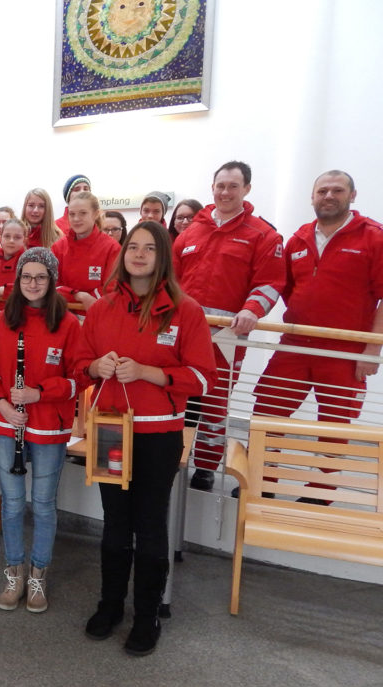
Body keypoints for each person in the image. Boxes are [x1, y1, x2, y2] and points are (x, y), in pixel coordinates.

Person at [78, 221, 216, 656]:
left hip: (159, 435)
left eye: (148, 248)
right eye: (131, 247)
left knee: (151, 526)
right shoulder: (101, 308)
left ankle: (148, 613)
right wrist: (95, 367)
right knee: (115, 523)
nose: (138, 254)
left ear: (163, 257)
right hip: (110, 429)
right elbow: (79, 361)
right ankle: (111, 605)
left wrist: (147, 372)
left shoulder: (185, 310)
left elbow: (202, 380)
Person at [251, 171, 383, 496]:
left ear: (352, 195)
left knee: (335, 425)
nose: (328, 196)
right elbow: (288, 289)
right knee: (266, 411)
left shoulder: (374, 238)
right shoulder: (297, 239)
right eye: (322, 190)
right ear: (312, 197)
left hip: (345, 350)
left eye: (337, 190)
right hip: (295, 345)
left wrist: (372, 348)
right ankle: (263, 483)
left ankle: (321, 491)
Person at [173, 161, 284, 491]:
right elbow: (172, 281)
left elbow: (269, 283)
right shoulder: (191, 232)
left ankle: (205, 468)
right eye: (220, 185)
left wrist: (252, 310)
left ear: (246, 189)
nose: (225, 192)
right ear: (212, 188)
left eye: (233, 186)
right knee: (173, 395)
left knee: (215, 403)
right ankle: (171, 456)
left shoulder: (263, 234)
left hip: (226, 337)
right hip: (183, 334)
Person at [0, 248, 84, 614]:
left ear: (51, 280)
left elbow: (79, 378)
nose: (33, 283)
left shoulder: (69, 324)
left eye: (41, 277)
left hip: (49, 427)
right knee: (11, 505)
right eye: (27, 276)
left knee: (42, 505)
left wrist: (40, 393)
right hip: (8, 423)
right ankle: (14, 571)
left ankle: (38, 574)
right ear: (17, 280)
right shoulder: (2, 321)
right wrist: (4, 405)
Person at [52, 191, 121, 314]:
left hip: (97, 316)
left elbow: (112, 288)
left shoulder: (112, 248)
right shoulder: (58, 247)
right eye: (72, 214)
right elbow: (52, 285)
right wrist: (79, 295)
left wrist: (84, 298)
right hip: (61, 314)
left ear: (95, 214)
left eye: (83, 213)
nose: (76, 219)